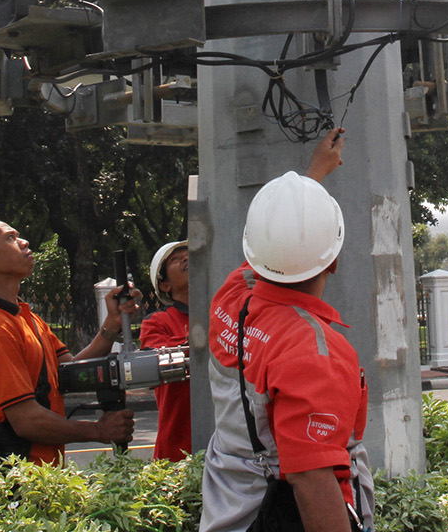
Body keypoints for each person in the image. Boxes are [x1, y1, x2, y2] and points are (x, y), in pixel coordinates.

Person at [199, 128, 372, 532]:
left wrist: (311, 177)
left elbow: (272, 254)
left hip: (227, 507)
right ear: (333, 261)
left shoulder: (231, 297)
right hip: (276, 516)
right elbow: (312, 481)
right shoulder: (315, 353)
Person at [0, 209, 138, 467]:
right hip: (11, 485)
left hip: (38, 479)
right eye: (10, 238)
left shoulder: (24, 317)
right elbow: (27, 420)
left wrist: (111, 324)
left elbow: (68, 372)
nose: (24, 242)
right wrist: (97, 430)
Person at [138, 238, 191, 461]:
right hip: (177, 451)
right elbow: (158, 362)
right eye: (177, 259)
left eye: (190, 255)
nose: (187, 260)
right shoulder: (157, 323)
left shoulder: (227, 312)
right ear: (165, 285)